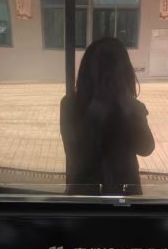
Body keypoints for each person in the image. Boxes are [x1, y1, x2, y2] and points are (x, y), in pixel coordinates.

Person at [60, 36, 155, 195]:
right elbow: (76, 156)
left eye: (113, 69)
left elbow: (146, 148)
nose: (108, 76)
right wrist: (97, 110)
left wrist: (128, 109)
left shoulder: (130, 105)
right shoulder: (71, 105)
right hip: (84, 197)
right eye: (102, 69)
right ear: (88, 72)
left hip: (125, 197)